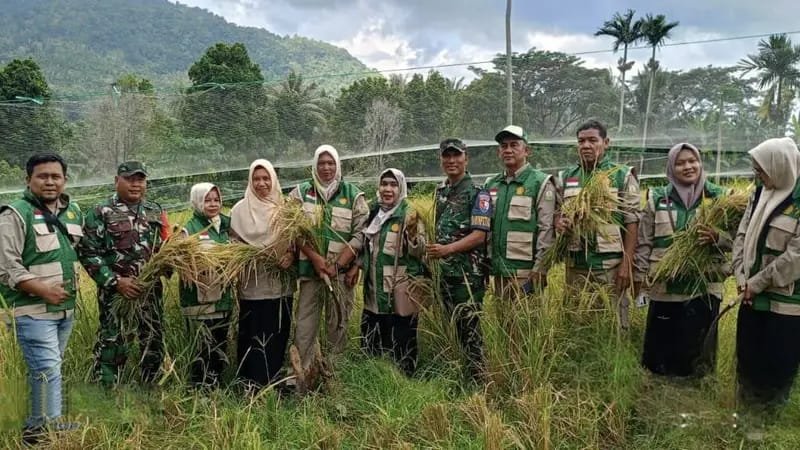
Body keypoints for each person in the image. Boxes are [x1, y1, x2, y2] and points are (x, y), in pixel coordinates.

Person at [0, 154, 82, 443]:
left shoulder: (73, 211)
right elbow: (6, 266)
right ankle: (43, 433)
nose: (50, 182)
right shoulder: (14, 214)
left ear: (65, 180)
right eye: (42, 176)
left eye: (55, 176)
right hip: (31, 310)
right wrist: (42, 289)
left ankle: (41, 424)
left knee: (49, 368)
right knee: (47, 369)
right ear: (28, 180)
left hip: (64, 310)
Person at [635, 143, 728, 377]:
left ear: (700, 163)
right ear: (670, 167)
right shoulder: (657, 198)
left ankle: (697, 386)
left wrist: (718, 238)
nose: (688, 167)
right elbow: (644, 242)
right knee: (659, 359)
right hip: (664, 287)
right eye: (680, 163)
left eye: (692, 161)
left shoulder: (720, 198)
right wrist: (640, 276)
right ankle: (658, 384)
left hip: (703, 287)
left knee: (697, 359)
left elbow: (740, 240)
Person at [79, 161, 169, 386]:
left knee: (153, 338)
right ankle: (108, 389)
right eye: (129, 179)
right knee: (113, 340)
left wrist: (170, 263)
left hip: (150, 291)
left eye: (140, 179)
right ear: (116, 181)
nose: (135, 184)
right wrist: (116, 281)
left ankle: (151, 386)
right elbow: (88, 252)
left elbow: (163, 247)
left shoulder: (154, 210)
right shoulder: (101, 212)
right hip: (116, 294)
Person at [289, 145, 369, 377]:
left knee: (339, 324)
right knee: (305, 326)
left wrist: (338, 265)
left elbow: (361, 234)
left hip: (341, 276)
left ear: (338, 165)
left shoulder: (353, 196)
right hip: (310, 273)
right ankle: (303, 375)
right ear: (314, 165)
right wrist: (315, 258)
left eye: (331, 163)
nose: (326, 168)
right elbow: (291, 229)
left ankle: (334, 375)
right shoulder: (300, 194)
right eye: (321, 163)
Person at [732, 137, 800, 407]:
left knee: (777, 366)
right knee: (748, 360)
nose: (757, 175)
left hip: (786, 305)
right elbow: (742, 235)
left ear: (779, 166)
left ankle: (771, 417)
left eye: (761, 170)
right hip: (750, 298)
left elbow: (796, 256)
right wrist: (741, 277)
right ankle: (746, 412)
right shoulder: (760, 193)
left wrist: (758, 283)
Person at [556, 120, 640, 328]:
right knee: (576, 325)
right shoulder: (567, 176)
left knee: (613, 326)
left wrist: (626, 264)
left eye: (592, 140)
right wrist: (560, 223)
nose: (586, 145)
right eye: (581, 141)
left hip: (610, 267)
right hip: (576, 268)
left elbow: (632, 222)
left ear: (606, 143)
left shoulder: (621, 175)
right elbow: (557, 214)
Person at [427, 138, 491, 380]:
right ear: (441, 160)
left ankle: (479, 381)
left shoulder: (478, 193)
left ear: (466, 159)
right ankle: (456, 376)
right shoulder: (441, 193)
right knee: (450, 325)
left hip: (467, 275)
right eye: (447, 156)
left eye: (457, 156)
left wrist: (447, 250)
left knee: (470, 329)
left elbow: (480, 235)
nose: (451, 161)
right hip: (444, 273)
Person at [352, 169, 426, 375]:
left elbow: (421, 251)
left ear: (401, 188)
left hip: (398, 294)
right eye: (384, 184)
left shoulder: (409, 214)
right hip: (374, 294)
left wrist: (413, 237)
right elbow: (366, 248)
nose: (388, 189)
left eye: (393, 185)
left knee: (401, 346)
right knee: (371, 348)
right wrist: (356, 265)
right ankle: (374, 381)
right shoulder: (373, 213)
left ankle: (404, 383)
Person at [231, 160, 295, 389]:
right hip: (252, 285)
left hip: (279, 285)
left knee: (277, 332)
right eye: (256, 179)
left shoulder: (285, 209)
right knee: (252, 332)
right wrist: (247, 255)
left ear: (273, 180)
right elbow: (233, 244)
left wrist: (290, 255)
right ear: (250, 181)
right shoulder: (239, 210)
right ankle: (249, 384)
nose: (261, 183)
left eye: (266, 178)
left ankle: (273, 382)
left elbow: (296, 242)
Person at [484, 125, 558, 300]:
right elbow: (485, 229)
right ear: (498, 152)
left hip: (526, 274)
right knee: (502, 317)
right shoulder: (491, 184)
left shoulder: (540, 182)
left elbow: (546, 229)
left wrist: (540, 268)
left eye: (514, 145)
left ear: (527, 151)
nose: (508, 150)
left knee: (527, 318)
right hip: (498, 272)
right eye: (504, 146)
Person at [179, 183, 233, 388]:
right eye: (207, 200)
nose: (213, 204)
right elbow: (181, 264)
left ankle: (216, 387)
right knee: (202, 349)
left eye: (216, 200)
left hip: (222, 300)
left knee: (219, 346)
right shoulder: (189, 230)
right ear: (197, 202)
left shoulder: (225, 225)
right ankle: (199, 390)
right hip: (199, 302)